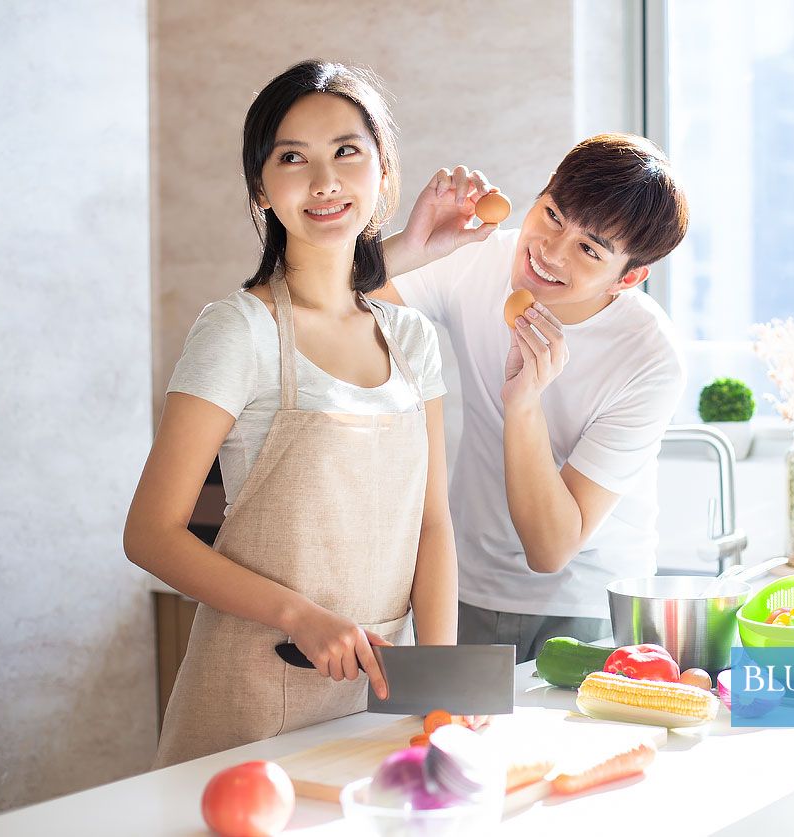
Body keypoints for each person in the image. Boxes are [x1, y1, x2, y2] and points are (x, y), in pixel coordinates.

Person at [124, 60, 459, 768]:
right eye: (291, 158)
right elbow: (150, 533)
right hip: (249, 696)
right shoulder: (237, 329)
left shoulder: (411, 339)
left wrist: (444, 682)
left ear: (384, 173)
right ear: (260, 188)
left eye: (346, 151)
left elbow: (431, 522)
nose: (324, 181)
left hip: (379, 696)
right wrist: (298, 616)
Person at [374, 133, 690, 662]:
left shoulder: (649, 357)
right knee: (454, 741)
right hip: (465, 588)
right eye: (552, 216)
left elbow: (551, 549)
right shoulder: (477, 261)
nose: (548, 251)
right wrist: (413, 244)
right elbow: (336, 299)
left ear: (629, 277)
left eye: (589, 250)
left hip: (592, 607)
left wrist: (523, 404)